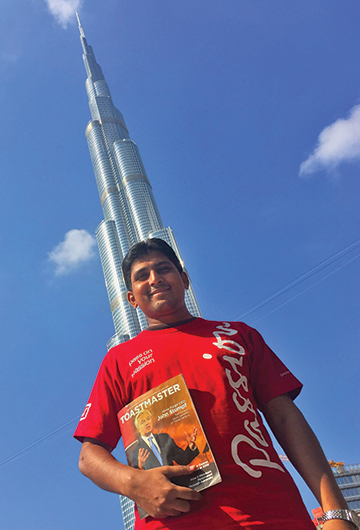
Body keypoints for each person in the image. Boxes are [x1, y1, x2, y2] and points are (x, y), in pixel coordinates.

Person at [74, 238, 359, 530]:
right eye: (142, 275)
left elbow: (286, 418)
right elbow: (89, 455)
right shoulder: (119, 360)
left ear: (185, 279)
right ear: (132, 298)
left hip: (274, 514)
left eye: (163, 269)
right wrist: (133, 484)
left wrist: (336, 513)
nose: (155, 279)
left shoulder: (237, 335)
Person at [130, 409, 199, 470]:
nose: (147, 423)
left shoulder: (165, 438)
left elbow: (183, 460)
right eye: (142, 422)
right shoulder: (135, 452)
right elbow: (138, 480)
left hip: (174, 482)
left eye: (148, 419)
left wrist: (191, 446)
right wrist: (141, 467)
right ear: (138, 429)